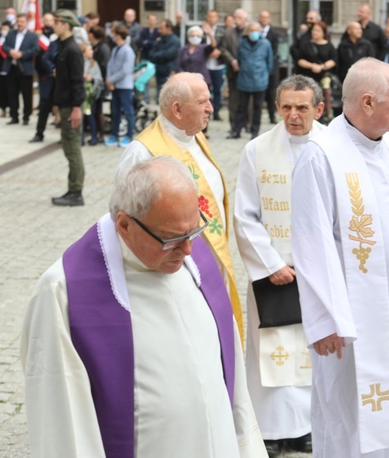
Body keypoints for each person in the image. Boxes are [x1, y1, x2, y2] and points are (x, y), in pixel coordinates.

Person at [22, 156, 268, 458]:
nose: (189, 249)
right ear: (124, 225)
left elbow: (231, 379)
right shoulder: (64, 292)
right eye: (173, 238)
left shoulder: (195, 262)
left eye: (193, 231)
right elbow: (63, 422)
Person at [291, 58, 389, 457]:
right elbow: (311, 239)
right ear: (369, 101)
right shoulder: (320, 155)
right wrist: (325, 319)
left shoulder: (385, 141)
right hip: (354, 327)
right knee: (355, 416)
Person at [234, 75, 326, 457]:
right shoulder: (258, 150)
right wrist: (270, 263)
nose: (293, 115)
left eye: (302, 107)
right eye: (286, 107)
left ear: (319, 109)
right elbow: (244, 215)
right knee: (270, 353)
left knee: (313, 349)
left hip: (318, 274)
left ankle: (306, 427)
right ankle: (269, 431)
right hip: (273, 272)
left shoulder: (331, 146)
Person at [117, 72, 245, 341]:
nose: (211, 108)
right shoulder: (143, 152)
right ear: (177, 109)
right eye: (203, 102)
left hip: (208, 266)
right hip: (172, 270)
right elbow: (124, 221)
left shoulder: (194, 135)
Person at [51, 10, 86, 207]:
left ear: (66, 25)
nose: (53, 25)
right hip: (64, 105)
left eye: (57, 22)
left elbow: (77, 82)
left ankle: (76, 192)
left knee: (73, 150)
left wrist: (76, 108)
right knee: (69, 148)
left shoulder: (72, 50)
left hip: (70, 107)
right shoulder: (64, 48)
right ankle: (72, 189)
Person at [232, 22, 273, 140]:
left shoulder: (265, 44)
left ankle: (255, 131)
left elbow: (269, 62)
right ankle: (237, 130)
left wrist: (264, 75)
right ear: (247, 32)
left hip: (260, 81)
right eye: (251, 30)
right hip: (244, 80)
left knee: (258, 108)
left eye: (256, 30)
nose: (254, 32)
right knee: (241, 107)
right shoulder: (242, 44)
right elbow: (238, 59)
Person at [2, 13, 38, 125]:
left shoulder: (32, 36)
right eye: (18, 21)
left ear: (26, 23)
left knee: (27, 94)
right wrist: (10, 51)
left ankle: (26, 116)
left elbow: (35, 49)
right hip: (12, 67)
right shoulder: (11, 34)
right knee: (12, 93)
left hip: (25, 68)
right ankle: (14, 116)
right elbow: (4, 46)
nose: (19, 24)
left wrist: (22, 54)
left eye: (22, 22)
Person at [297, 20, 336, 120]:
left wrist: (322, 67)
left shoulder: (329, 46)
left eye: (318, 30)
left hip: (323, 76)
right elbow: (300, 60)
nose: (315, 32)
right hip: (308, 77)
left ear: (323, 32)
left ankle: (326, 114)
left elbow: (334, 60)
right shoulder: (306, 45)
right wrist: (311, 66)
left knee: (324, 95)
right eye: (314, 30)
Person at [105, 24, 137, 148]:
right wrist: (109, 80)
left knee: (128, 111)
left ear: (118, 35)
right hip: (115, 85)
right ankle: (114, 134)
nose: (112, 36)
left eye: (114, 34)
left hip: (124, 86)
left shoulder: (128, 51)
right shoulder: (115, 49)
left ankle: (129, 135)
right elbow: (110, 65)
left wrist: (111, 79)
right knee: (115, 111)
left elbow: (126, 70)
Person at [219, 9, 249, 133]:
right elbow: (223, 49)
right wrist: (232, 61)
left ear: (245, 19)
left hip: (247, 71)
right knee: (233, 99)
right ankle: (234, 125)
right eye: (236, 17)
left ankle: (247, 124)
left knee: (248, 100)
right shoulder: (228, 33)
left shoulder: (249, 32)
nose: (237, 20)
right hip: (233, 71)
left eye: (240, 17)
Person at [149, 19, 181, 102]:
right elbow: (151, 54)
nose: (159, 30)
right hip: (159, 70)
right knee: (159, 96)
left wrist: (158, 55)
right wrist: (158, 55)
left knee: (168, 98)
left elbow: (169, 54)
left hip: (169, 71)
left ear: (169, 28)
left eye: (161, 28)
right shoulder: (159, 40)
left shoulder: (175, 41)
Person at [90, 25, 111, 142]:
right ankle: (98, 133)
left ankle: (101, 134)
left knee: (98, 110)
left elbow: (104, 66)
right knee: (96, 110)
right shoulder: (97, 46)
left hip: (100, 84)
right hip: (97, 83)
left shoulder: (103, 48)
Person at [259, 10, 280, 124]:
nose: (264, 19)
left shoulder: (274, 33)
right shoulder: (256, 32)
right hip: (259, 68)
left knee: (271, 93)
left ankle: (272, 116)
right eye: (262, 17)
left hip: (271, 68)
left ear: (269, 19)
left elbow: (275, 51)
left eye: (266, 17)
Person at [204, 9, 226, 121]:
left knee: (217, 90)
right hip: (205, 66)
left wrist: (219, 52)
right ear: (207, 17)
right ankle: (205, 112)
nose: (212, 18)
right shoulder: (202, 30)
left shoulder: (222, 31)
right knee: (205, 91)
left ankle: (216, 112)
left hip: (218, 65)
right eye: (210, 16)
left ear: (217, 18)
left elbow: (225, 45)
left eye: (214, 16)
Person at [81, 43, 104, 146]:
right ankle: (80, 138)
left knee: (90, 115)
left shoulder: (94, 63)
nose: (92, 52)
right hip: (80, 94)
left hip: (90, 95)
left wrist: (92, 79)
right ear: (83, 52)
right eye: (89, 50)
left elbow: (99, 79)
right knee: (81, 117)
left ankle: (94, 137)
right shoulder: (78, 62)